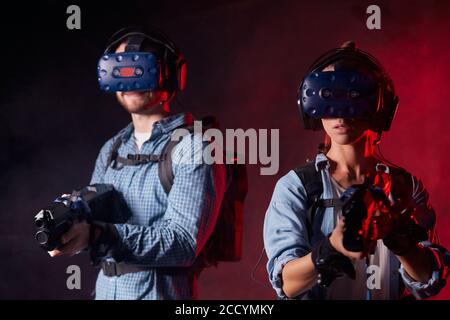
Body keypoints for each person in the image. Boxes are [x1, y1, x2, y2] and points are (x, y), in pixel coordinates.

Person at [48, 27, 227, 300]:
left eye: (140, 68)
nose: (129, 79)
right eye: (119, 70)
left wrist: (98, 235)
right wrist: (71, 229)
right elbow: (94, 223)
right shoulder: (112, 149)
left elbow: (183, 243)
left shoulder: (196, 147)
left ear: (170, 75)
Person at [263, 41, 448, 300]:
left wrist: (400, 241)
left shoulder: (404, 187)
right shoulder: (297, 187)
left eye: (353, 97)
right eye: (328, 97)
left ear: (378, 105)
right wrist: (329, 249)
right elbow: (286, 283)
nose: (341, 115)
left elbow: (429, 282)